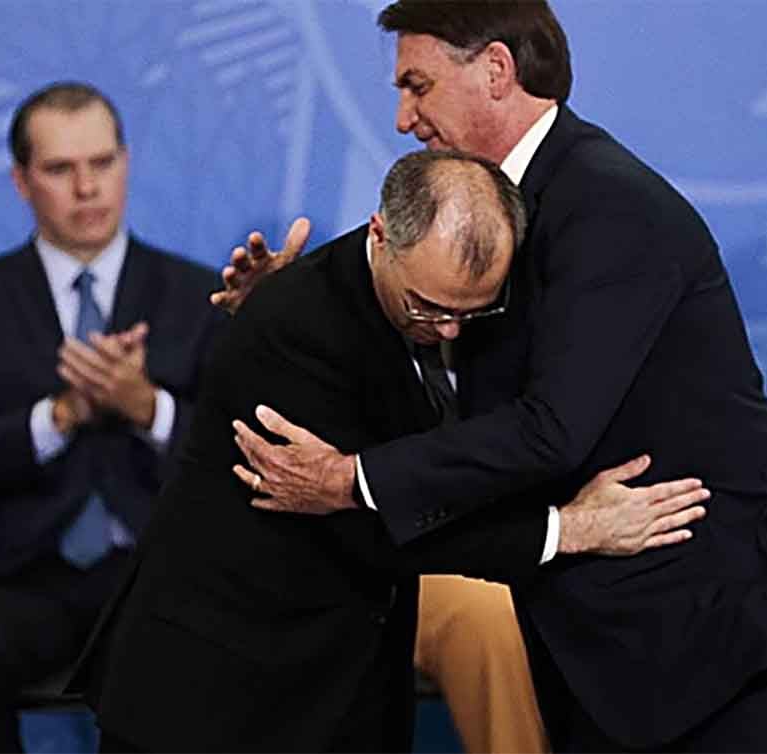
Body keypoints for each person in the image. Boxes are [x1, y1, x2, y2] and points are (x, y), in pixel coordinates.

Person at [220, 2, 767, 751]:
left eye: (418, 85)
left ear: (495, 70)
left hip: (733, 656)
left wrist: (349, 480)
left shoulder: (608, 205)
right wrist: (294, 304)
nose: (403, 118)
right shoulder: (484, 217)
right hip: (615, 656)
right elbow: (423, 332)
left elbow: (552, 430)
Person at [79, 149, 709, 752]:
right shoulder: (293, 333)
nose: (449, 331)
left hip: (334, 688)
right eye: (428, 308)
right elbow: (376, 525)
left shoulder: (429, 308)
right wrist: (566, 530)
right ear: (381, 235)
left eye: (472, 312)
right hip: (212, 698)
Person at [0, 81, 221, 752]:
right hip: (16, 574)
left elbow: (236, 459)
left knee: (172, 652)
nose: (87, 187)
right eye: (60, 169)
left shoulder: (200, 296)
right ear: (22, 181)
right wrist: (59, 417)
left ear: (126, 161)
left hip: (156, 570)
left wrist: (145, 407)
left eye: (102, 163)